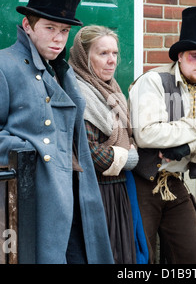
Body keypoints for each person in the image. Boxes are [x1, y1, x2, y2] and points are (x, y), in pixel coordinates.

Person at [0, 0, 113, 264]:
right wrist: (32, 153)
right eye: (50, 28)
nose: (58, 38)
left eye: (64, 30)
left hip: (75, 199)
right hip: (30, 205)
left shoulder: (63, 71)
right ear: (27, 25)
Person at [128, 6, 196, 264]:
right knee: (140, 258)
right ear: (181, 56)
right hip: (143, 180)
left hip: (175, 181)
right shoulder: (153, 80)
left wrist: (188, 149)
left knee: (195, 257)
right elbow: (147, 135)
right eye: (195, 56)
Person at [68, 25, 148, 264]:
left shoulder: (111, 89)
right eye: (103, 53)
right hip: (94, 193)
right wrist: (129, 157)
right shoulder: (78, 93)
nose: (111, 60)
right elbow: (89, 152)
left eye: (114, 53)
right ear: (84, 56)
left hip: (119, 189)